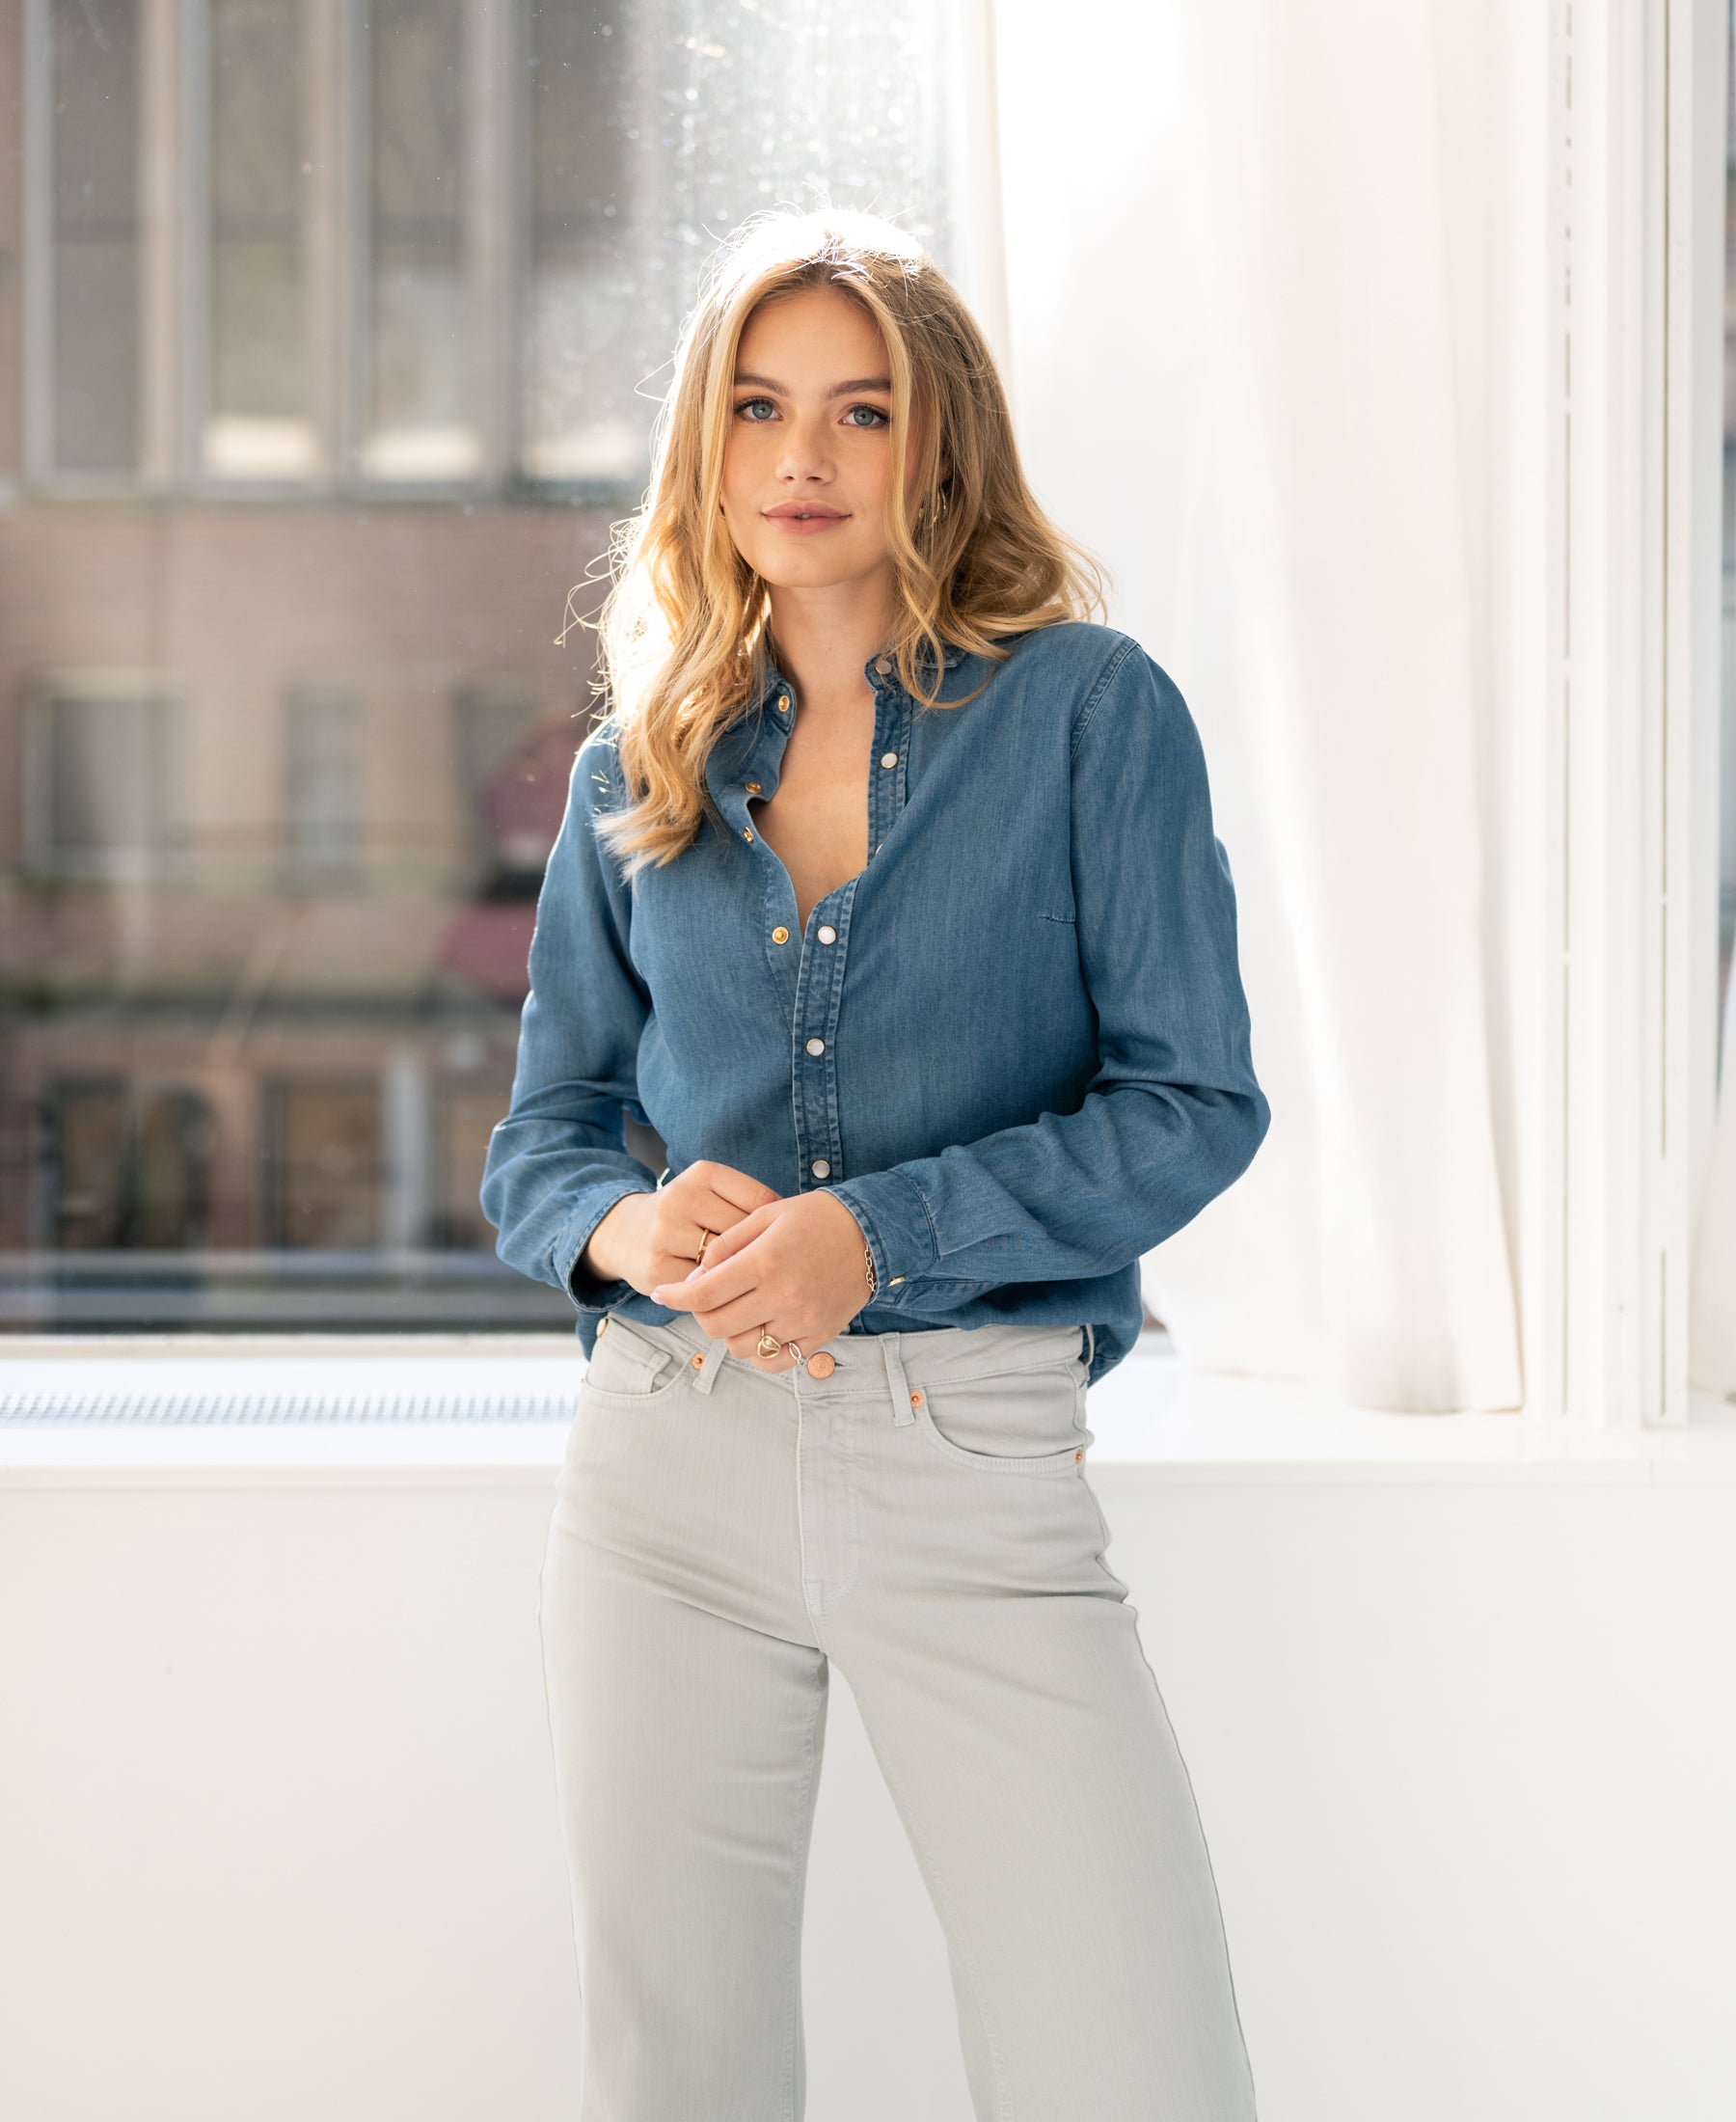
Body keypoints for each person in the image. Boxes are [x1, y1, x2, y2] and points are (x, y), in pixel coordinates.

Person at [479, 206, 1269, 2122]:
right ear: (708, 447)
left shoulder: (1092, 714)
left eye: (859, 410)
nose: (804, 458)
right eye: (758, 409)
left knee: (1128, 2061)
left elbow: (1194, 1101)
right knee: (676, 2070)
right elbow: (543, 1142)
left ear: (942, 442)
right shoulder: (638, 764)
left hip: (971, 1462)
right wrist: (627, 1222)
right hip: (667, 1461)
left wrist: (879, 1232)